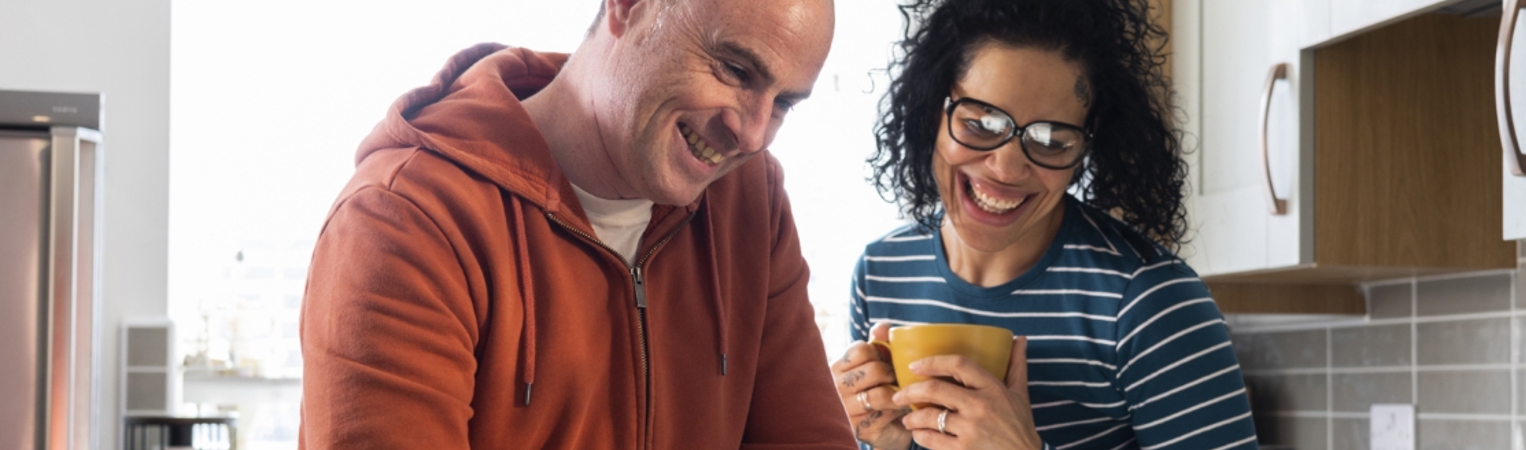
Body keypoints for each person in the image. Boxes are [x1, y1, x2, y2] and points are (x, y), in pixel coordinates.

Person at [299, 0, 855, 448]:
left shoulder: (750, 199)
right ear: (628, 7)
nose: (753, 134)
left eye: (783, 103)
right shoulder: (404, 220)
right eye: (735, 70)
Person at [828, 0, 1260, 449]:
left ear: (1087, 149)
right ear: (930, 112)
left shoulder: (1151, 303)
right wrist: (881, 441)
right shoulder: (880, 272)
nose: (1007, 167)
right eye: (980, 123)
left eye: (1051, 140)